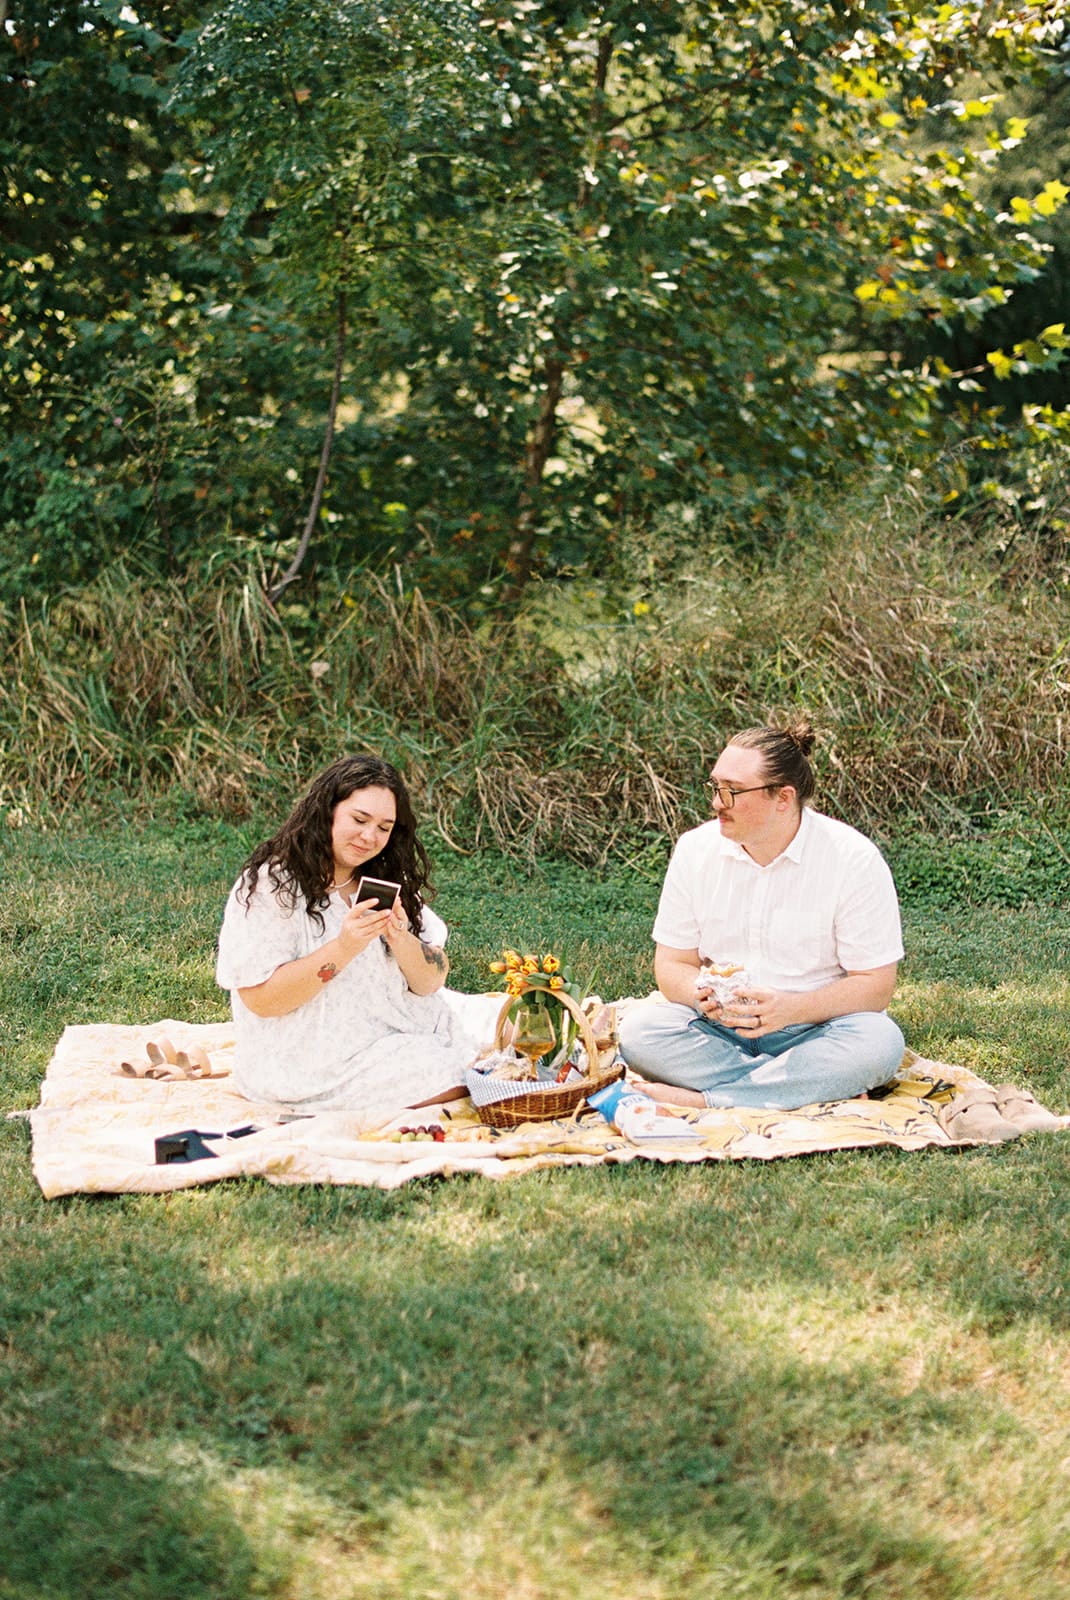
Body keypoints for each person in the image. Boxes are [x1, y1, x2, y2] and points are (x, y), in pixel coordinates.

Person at [618, 719, 906, 1110]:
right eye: (716, 787)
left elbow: (875, 985)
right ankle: (798, 1085)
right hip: (720, 1031)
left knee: (879, 1042)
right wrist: (699, 997)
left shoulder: (852, 858)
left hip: (815, 1029)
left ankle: (710, 1099)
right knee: (640, 1032)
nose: (718, 802)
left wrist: (790, 1009)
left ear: (783, 798)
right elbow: (672, 964)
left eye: (733, 791)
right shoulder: (694, 850)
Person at [215, 753, 495, 1124]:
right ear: (327, 811)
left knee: (508, 1028)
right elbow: (261, 1000)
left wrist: (400, 938)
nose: (369, 837)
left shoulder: (382, 876)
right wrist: (344, 947)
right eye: (359, 820)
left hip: (397, 1026)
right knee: (463, 1075)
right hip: (308, 1060)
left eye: (384, 827)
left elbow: (432, 979)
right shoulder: (274, 886)